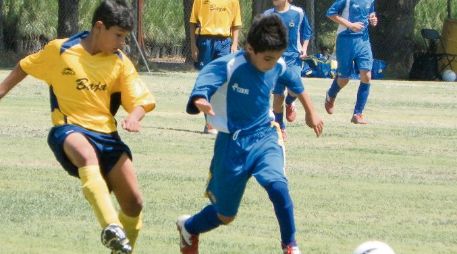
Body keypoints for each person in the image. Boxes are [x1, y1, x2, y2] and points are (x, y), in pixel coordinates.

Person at [0, 0, 155, 253]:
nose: (121, 43)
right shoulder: (60, 50)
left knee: (134, 203)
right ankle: (111, 226)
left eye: (124, 38)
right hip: (68, 129)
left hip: (107, 135)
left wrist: (135, 117)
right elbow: (25, 66)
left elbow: (140, 100)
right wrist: (2, 90)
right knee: (85, 153)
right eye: (118, 36)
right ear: (99, 27)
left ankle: (121, 247)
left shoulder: (119, 61)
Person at [177, 14, 324, 254]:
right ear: (250, 48)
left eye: (276, 58)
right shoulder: (231, 65)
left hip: (265, 135)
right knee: (225, 215)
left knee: (278, 186)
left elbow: (295, 82)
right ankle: (189, 227)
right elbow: (205, 81)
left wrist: (311, 112)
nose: (272, 63)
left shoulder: (277, 64)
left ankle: (290, 245)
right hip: (231, 145)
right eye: (267, 58)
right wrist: (201, 99)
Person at [189, 0, 242, 134]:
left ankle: (223, 121)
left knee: (223, 82)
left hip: (224, 42)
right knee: (207, 81)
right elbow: (192, 22)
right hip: (205, 41)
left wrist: (234, 44)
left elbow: (236, 24)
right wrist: (193, 45)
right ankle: (209, 123)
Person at [264, 0, 313, 140]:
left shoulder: (298, 13)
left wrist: (304, 48)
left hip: (293, 59)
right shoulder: (267, 15)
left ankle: (290, 102)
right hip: (276, 61)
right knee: (278, 96)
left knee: (294, 89)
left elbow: (307, 32)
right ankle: (280, 127)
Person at [324, 0, 378, 124]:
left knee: (367, 76)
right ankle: (331, 95)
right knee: (344, 79)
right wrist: (350, 25)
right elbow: (330, 13)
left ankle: (358, 114)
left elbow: (371, 13)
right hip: (345, 40)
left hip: (363, 40)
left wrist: (373, 19)